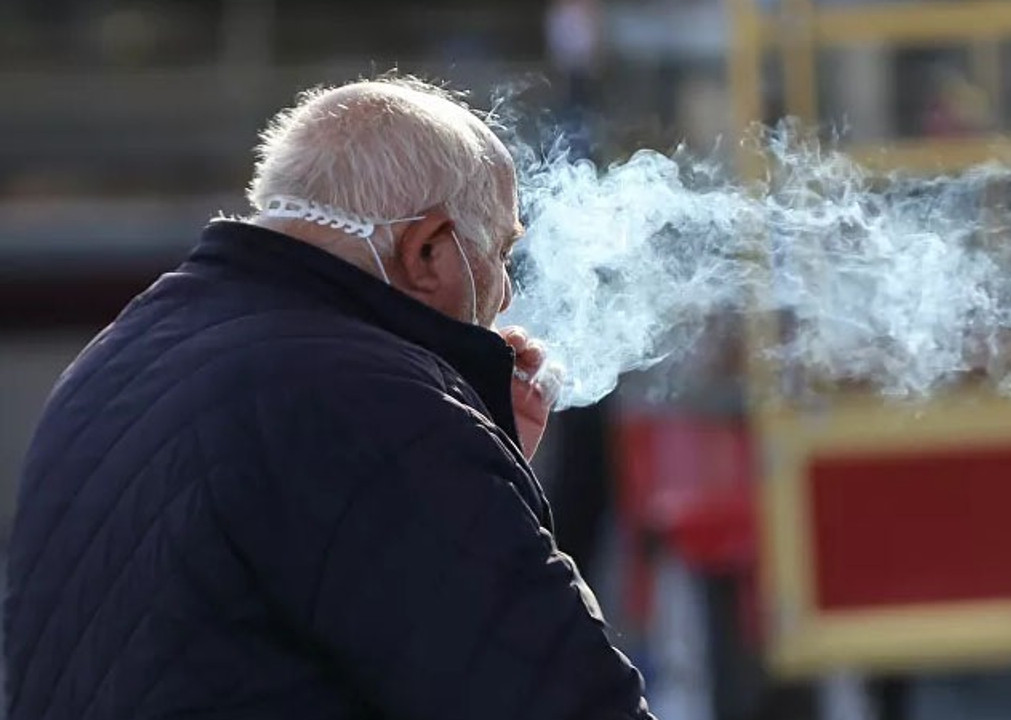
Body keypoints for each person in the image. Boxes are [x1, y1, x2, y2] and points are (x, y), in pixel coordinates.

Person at [4, 77, 654, 720]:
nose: (506, 294)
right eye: (502, 253)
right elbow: (567, 699)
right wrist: (448, 446)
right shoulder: (376, 407)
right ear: (428, 250)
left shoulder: (116, 358)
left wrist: (484, 454)